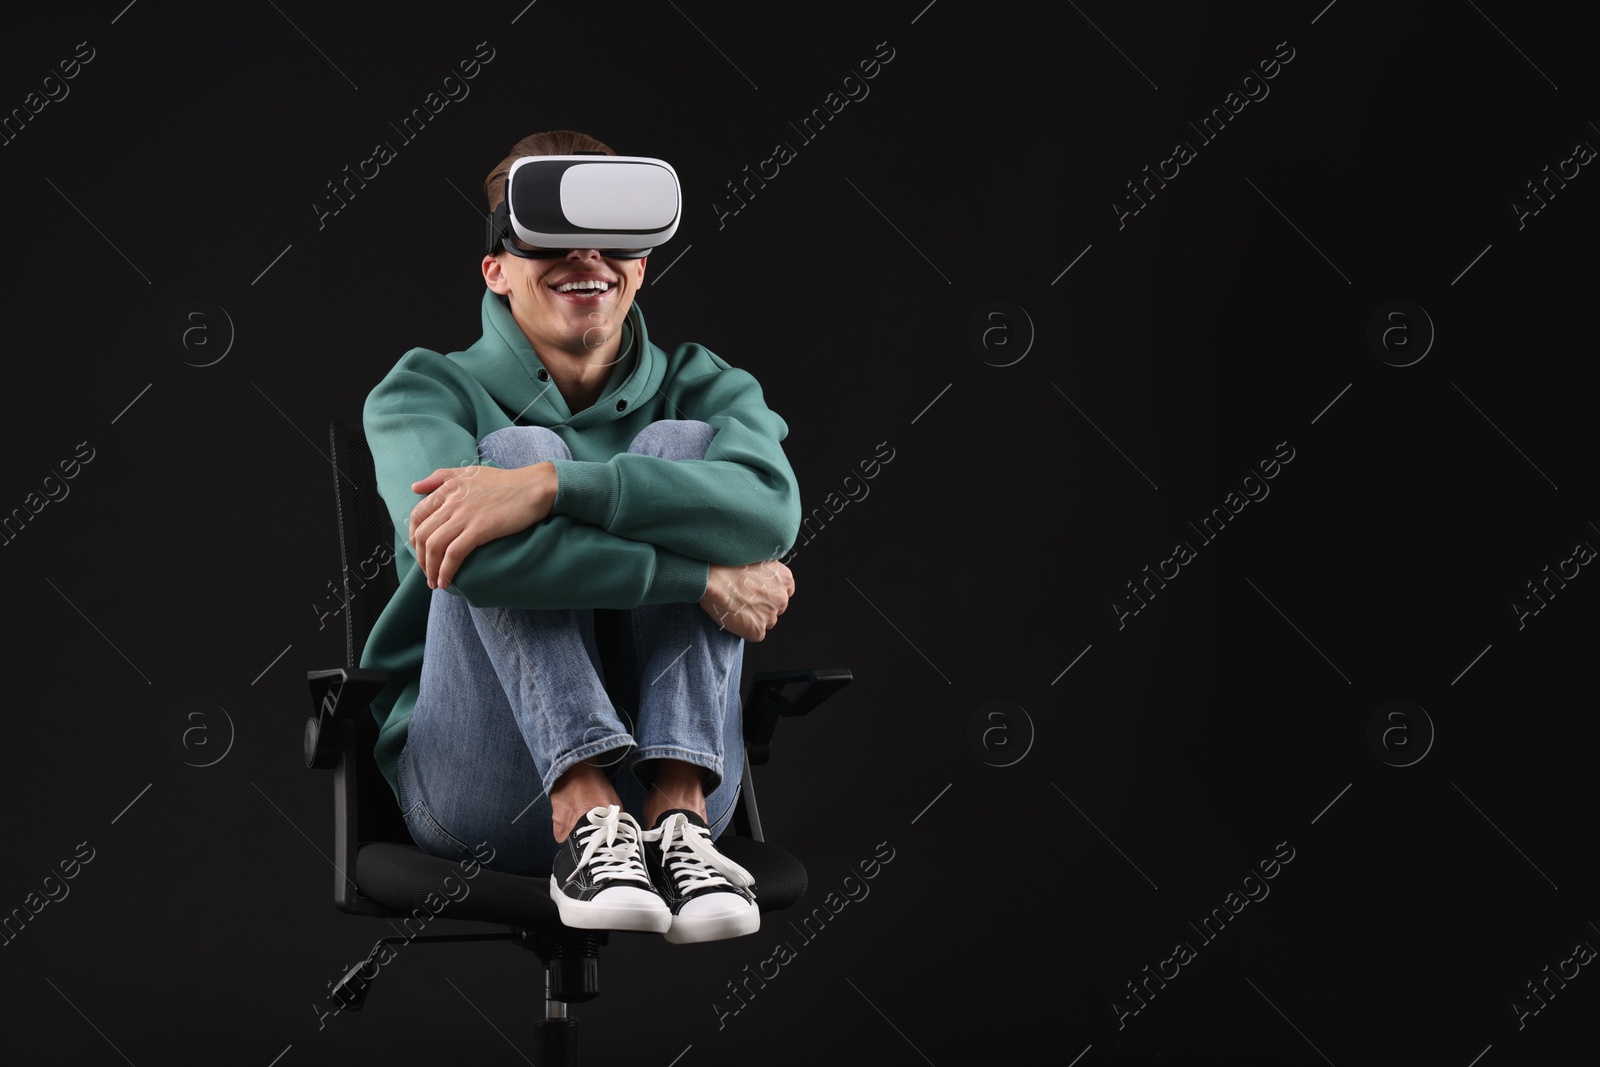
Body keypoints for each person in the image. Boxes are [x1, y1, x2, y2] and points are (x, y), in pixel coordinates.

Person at [360, 130, 800, 944]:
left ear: (640, 265)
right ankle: (583, 803)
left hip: (692, 795)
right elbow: (482, 561)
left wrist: (553, 489)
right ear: (496, 267)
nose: (585, 255)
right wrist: (704, 576)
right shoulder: (422, 391)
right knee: (513, 450)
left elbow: (769, 511)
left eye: (613, 236)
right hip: (484, 791)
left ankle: (673, 812)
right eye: (550, 235)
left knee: (676, 445)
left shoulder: (705, 386)